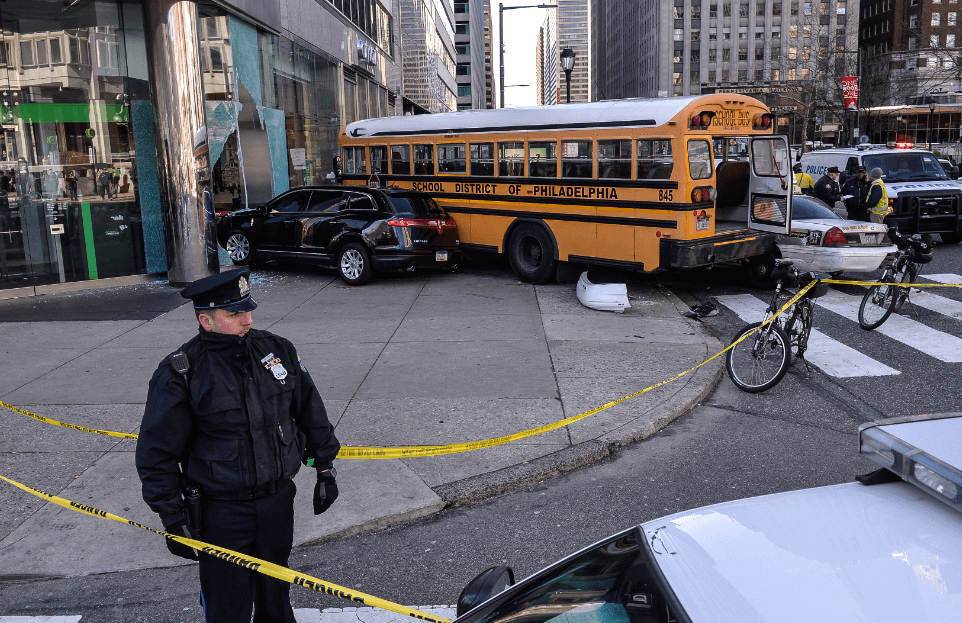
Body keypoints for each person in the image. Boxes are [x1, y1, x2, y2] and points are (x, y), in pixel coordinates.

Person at [136, 268, 341, 623]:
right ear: (207, 320)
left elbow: (309, 410)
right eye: (234, 314)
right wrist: (172, 516)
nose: (247, 320)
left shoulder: (277, 350)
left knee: (276, 600)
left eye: (248, 310)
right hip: (221, 513)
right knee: (227, 606)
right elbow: (157, 455)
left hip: (277, 503)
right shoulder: (181, 373)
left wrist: (325, 468)